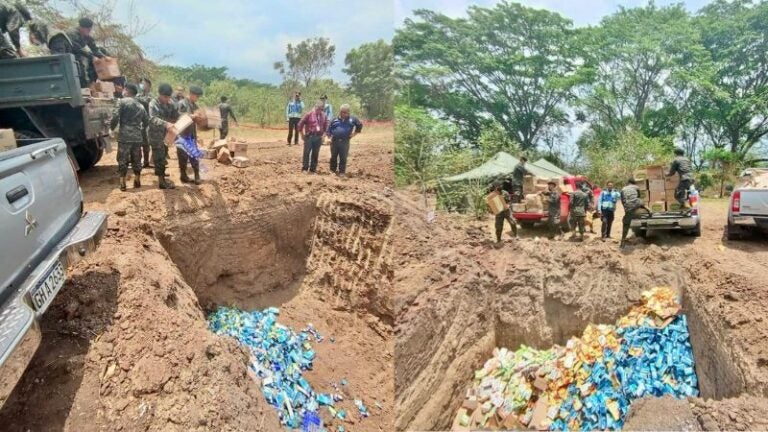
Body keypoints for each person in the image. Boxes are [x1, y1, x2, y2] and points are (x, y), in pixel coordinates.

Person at [49, 17, 109, 87]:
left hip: (80, 58)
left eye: (90, 29)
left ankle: (91, 84)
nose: (89, 31)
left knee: (95, 65)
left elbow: (94, 49)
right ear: (81, 27)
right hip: (70, 58)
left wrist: (104, 57)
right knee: (80, 73)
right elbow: (78, 48)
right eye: (87, 29)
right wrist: (92, 57)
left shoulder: (86, 36)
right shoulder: (72, 34)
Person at [110, 83, 148, 192]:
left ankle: (123, 184)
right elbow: (146, 121)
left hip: (125, 136)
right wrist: (139, 129)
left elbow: (115, 116)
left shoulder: (122, 102)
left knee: (123, 159)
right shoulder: (140, 105)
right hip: (137, 136)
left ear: (127, 91)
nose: (123, 91)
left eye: (124, 90)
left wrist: (112, 128)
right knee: (137, 159)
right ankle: (137, 180)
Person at [146, 83, 177, 189]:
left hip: (166, 135)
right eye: (165, 97)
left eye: (169, 97)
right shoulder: (153, 103)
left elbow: (175, 115)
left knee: (164, 155)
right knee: (159, 157)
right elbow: (153, 119)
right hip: (155, 134)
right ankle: (162, 182)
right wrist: (166, 124)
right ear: (159, 94)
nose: (167, 99)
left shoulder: (171, 103)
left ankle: (161, 174)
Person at [326, 104, 363, 178]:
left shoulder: (352, 119)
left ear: (348, 112)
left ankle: (342, 172)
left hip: (345, 141)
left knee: (343, 157)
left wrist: (354, 134)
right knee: (333, 156)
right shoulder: (334, 119)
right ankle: (332, 171)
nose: (343, 114)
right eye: (342, 112)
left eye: (345, 112)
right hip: (334, 141)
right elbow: (328, 129)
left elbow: (359, 125)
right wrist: (329, 137)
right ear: (340, 112)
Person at [176, 85, 203, 185]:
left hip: (191, 134)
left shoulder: (194, 105)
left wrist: (200, 118)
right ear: (191, 94)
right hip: (182, 134)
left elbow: (197, 117)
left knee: (193, 155)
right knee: (182, 156)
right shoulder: (181, 103)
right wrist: (192, 116)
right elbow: (178, 116)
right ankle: (183, 176)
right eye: (197, 96)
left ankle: (197, 175)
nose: (197, 98)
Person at [297, 102, 329, 174]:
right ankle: (305, 168)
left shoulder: (324, 116)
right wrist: (302, 134)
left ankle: (312, 169)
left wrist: (324, 136)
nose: (319, 110)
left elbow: (326, 126)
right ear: (315, 107)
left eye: (321, 109)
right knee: (306, 153)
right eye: (318, 108)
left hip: (318, 137)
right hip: (309, 137)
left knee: (315, 153)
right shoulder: (309, 114)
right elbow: (300, 124)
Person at [620, 178, 645, 248]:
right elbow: (639, 197)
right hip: (636, 204)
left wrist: (626, 209)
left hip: (628, 207)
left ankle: (622, 241)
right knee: (641, 201)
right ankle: (647, 211)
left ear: (628, 182)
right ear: (634, 183)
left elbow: (623, 201)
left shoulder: (623, 189)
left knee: (625, 224)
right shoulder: (636, 187)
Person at [136, 77, 153, 168]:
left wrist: (137, 99)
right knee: (138, 142)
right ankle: (139, 161)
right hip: (138, 122)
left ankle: (146, 162)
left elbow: (147, 102)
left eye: (144, 84)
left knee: (146, 143)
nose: (142, 85)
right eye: (142, 83)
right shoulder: (138, 95)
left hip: (147, 122)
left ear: (149, 86)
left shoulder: (150, 95)